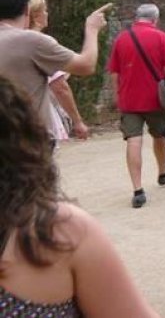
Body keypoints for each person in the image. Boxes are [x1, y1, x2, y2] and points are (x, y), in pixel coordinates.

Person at [0, 76, 156, 317]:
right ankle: (141, 186)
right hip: (149, 104)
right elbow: (66, 81)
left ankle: (138, 187)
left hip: (131, 104)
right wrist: (78, 120)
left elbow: (112, 77)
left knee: (133, 141)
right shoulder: (54, 231)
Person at [0, 0, 109, 144]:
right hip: (26, 141)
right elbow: (86, 65)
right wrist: (92, 28)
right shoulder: (32, 41)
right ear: (26, 10)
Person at [107, 3, 165, 208]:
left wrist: (118, 96)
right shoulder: (161, 37)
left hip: (129, 100)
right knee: (159, 135)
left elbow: (114, 72)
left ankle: (138, 190)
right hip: (154, 99)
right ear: (155, 19)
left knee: (134, 140)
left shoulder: (121, 39)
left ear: (136, 18)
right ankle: (162, 172)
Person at [27, 0, 85, 144]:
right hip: (40, 115)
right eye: (45, 10)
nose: (47, 13)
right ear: (36, 14)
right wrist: (77, 120)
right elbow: (60, 87)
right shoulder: (41, 44)